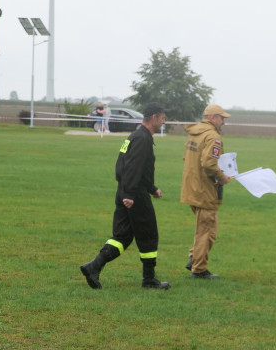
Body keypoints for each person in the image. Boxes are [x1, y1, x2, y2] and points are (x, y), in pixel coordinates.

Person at [79, 103, 170, 290]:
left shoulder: (135, 136)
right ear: (154, 118)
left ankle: (93, 267)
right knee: (148, 234)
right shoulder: (142, 139)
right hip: (134, 194)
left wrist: (151, 188)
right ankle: (149, 280)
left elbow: (126, 167)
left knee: (122, 236)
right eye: (162, 118)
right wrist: (130, 194)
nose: (164, 122)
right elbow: (132, 168)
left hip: (125, 190)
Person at [180, 104, 232, 279]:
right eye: (221, 118)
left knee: (202, 229)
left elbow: (186, 158)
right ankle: (199, 269)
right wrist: (222, 177)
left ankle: (194, 257)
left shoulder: (194, 133)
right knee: (208, 232)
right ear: (212, 118)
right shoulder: (213, 136)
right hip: (204, 190)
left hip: (190, 188)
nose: (223, 122)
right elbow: (209, 163)